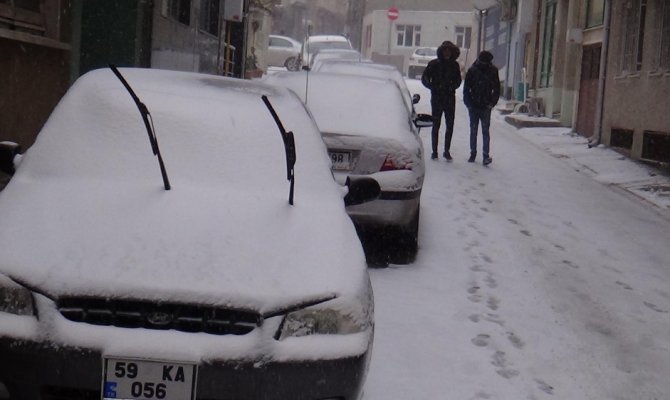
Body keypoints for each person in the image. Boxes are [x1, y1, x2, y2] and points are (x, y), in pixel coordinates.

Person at [421, 41, 462, 161]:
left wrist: (452, 86)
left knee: (450, 125)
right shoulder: (434, 64)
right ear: (442, 51)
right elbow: (425, 78)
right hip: (437, 98)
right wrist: (433, 86)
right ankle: (434, 151)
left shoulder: (455, 65)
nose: (447, 53)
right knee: (436, 124)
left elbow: (458, 81)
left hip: (449, 98)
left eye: (449, 51)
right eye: (445, 51)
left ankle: (446, 151)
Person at [463, 50, 500, 165]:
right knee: (479, 131)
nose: (484, 64)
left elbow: (497, 89)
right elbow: (466, 89)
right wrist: (468, 104)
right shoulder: (473, 70)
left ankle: (483, 155)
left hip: (484, 106)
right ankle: (475, 154)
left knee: (480, 131)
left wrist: (491, 103)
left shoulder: (490, 71)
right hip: (476, 105)